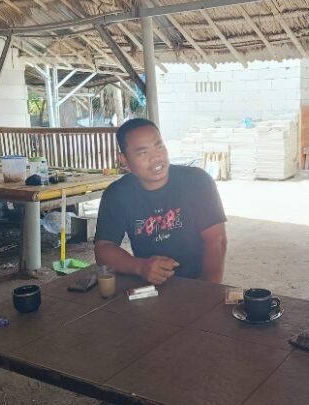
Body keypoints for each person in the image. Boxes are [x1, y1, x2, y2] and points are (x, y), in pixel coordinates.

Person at [95, 118, 227, 285]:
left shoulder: (197, 181)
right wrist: (140, 267)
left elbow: (216, 240)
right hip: (148, 283)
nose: (156, 157)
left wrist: (208, 287)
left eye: (159, 146)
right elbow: (103, 249)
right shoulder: (117, 194)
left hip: (198, 280)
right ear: (124, 160)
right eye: (143, 152)